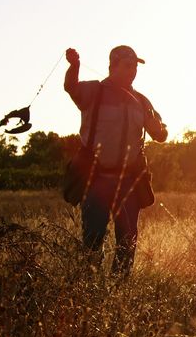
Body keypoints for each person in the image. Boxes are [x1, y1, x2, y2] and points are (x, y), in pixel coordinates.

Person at [63, 45, 168, 277]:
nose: (133, 71)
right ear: (113, 65)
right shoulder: (94, 91)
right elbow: (70, 87)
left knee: (128, 242)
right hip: (97, 179)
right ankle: (89, 290)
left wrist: (157, 126)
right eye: (128, 66)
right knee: (92, 242)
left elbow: (160, 136)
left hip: (129, 181)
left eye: (135, 67)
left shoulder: (141, 100)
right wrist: (74, 66)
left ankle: (119, 291)